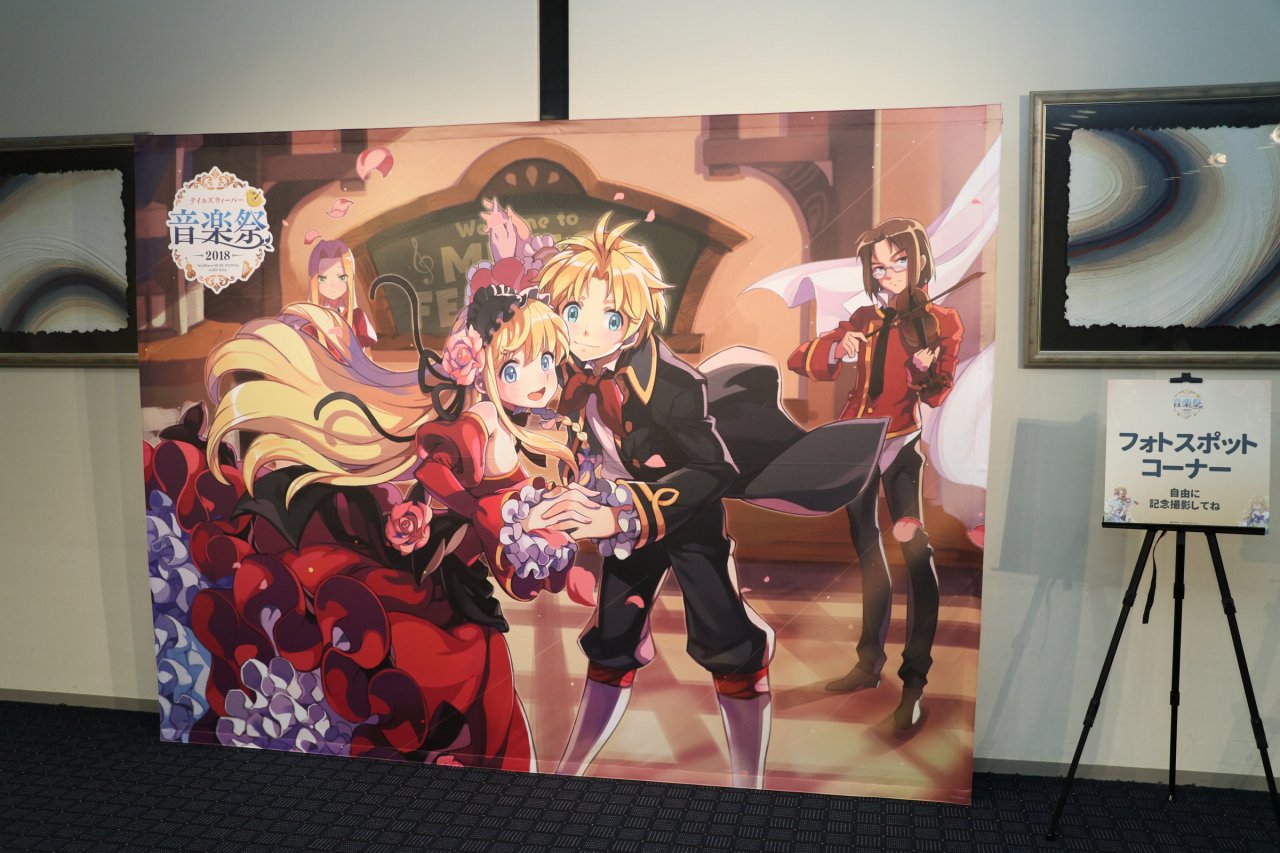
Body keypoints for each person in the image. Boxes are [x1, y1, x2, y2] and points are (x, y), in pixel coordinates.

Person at [200, 256, 586, 768]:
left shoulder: (507, 427)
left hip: (460, 576)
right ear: (483, 369)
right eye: (514, 368)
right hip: (440, 581)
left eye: (547, 362)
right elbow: (435, 471)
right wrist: (480, 511)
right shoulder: (480, 423)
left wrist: (532, 538)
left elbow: (503, 533)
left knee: (486, 687)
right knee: (472, 676)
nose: (539, 379)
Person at [527, 213, 775, 788]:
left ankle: (751, 782)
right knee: (612, 640)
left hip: (683, 518)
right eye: (572, 313)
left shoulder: (674, 384)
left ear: (636, 318)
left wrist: (623, 513)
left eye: (609, 318)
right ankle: (572, 769)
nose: (586, 332)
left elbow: (715, 469)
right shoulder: (564, 370)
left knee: (727, 642)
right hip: (618, 519)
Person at [787, 216, 963, 730]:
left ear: (919, 260)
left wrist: (923, 371)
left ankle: (914, 680)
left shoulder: (941, 321)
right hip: (857, 448)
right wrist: (835, 349)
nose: (889, 274)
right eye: (880, 267)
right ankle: (868, 663)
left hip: (901, 446)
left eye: (899, 262)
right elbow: (801, 359)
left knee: (917, 555)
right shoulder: (864, 319)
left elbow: (937, 393)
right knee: (868, 555)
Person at [307, 239, 378, 348]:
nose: (332, 285)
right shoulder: (311, 319)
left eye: (341, 278)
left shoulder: (357, 317)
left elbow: (366, 347)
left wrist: (346, 337)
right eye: (323, 279)